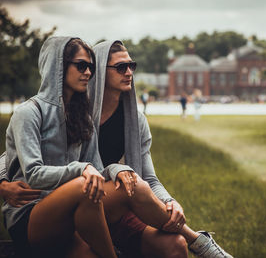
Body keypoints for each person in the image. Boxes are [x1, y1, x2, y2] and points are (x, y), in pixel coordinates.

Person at [89, 40, 233, 258]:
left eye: (131, 66)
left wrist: (170, 202)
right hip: (86, 206)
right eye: (120, 67)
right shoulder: (80, 116)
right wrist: (114, 170)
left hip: (119, 208)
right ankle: (199, 242)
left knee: (175, 245)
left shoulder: (135, 120)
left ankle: (193, 241)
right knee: (134, 183)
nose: (129, 72)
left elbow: (149, 178)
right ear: (100, 71)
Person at [1, 36, 120, 257]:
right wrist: (80, 168)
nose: (88, 73)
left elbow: (97, 168)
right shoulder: (28, 113)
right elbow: (27, 168)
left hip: (69, 211)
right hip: (29, 215)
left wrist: (118, 170)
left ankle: (194, 239)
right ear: (58, 66)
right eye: (81, 65)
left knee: (128, 189)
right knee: (84, 185)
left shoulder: (81, 117)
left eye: (91, 67)